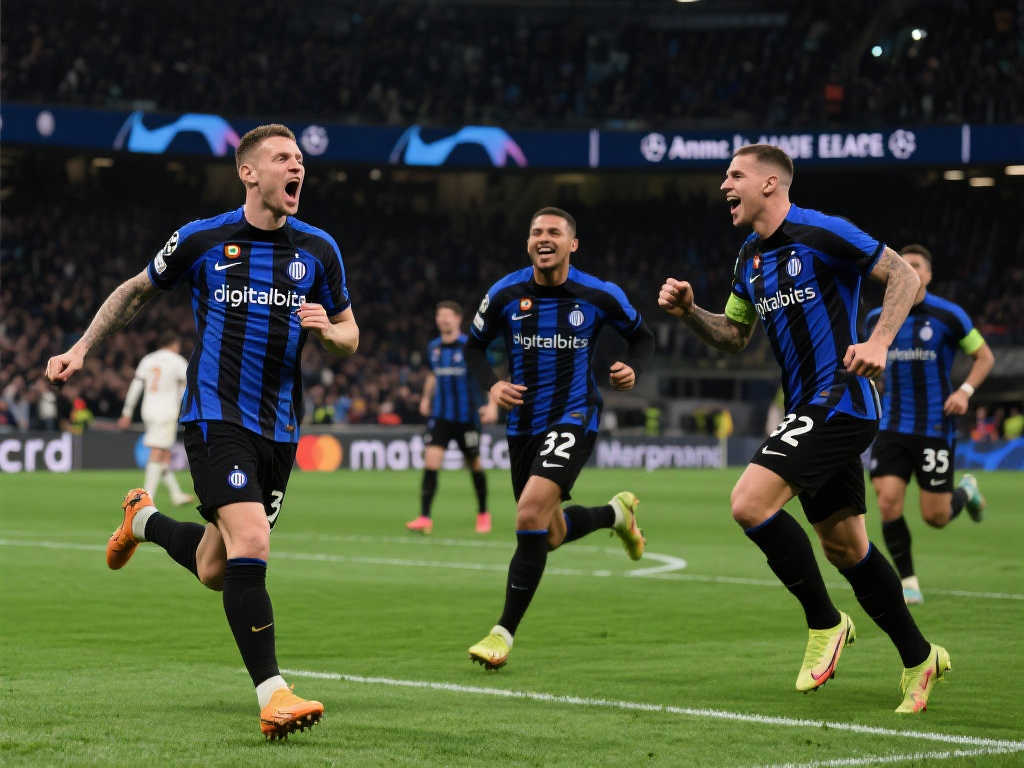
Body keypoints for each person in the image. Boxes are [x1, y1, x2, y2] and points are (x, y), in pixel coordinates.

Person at [45, 124, 359, 739]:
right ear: (249, 173)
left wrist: (328, 331)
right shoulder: (204, 239)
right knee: (253, 542)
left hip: (280, 429)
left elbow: (350, 334)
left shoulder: (319, 250)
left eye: (300, 158)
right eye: (283, 158)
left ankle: (143, 520)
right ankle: (273, 694)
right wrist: (81, 348)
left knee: (218, 566)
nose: (297, 167)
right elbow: (137, 291)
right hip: (216, 417)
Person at [658, 144, 948, 714]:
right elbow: (734, 335)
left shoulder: (822, 231)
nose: (724, 186)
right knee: (846, 548)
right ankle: (921, 658)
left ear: (770, 184)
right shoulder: (748, 259)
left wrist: (879, 342)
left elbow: (904, 275)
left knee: (748, 502)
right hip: (806, 409)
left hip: (840, 399)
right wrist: (690, 312)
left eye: (735, 175)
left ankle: (825, 622)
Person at [463, 206, 654, 669]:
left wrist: (633, 368)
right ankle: (616, 514)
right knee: (548, 534)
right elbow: (473, 348)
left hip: (574, 416)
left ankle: (501, 634)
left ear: (573, 244)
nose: (543, 238)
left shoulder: (599, 294)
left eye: (553, 232)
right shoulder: (505, 293)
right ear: (528, 243)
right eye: (536, 232)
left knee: (529, 513)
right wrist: (493, 385)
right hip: (522, 426)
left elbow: (643, 337)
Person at [865, 244, 994, 605]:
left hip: (934, 427)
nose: (910, 269)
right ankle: (908, 581)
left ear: (929, 274)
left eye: (917, 265)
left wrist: (965, 391)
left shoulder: (950, 315)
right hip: (891, 425)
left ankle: (965, 491)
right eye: (903, 264)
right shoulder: (876, 318)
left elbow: (984, 357)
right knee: (888, 503)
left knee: (935, 517)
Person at [406, 300, 497, 535]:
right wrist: (426, 399)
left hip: (467, 416)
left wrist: (492, 405)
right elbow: (432, 375)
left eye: (448, 315)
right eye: (440, 315)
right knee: (431, 462)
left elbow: (487, 374)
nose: (443, 319)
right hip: (441, 416)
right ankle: (425, 518)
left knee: (474, 464)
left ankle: (483, 513)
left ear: (458, 319)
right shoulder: (434, 347)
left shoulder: (470, 346)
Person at [117, 331, 194, 506]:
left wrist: (127, 411)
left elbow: (136, 385)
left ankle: (176, 494)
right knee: (158, 451)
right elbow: (187, 388)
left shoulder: (148, 360)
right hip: (166, 411)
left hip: (148, 410)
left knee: (164, 453)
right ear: (175, 344)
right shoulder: (178, 361)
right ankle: (146, 498)